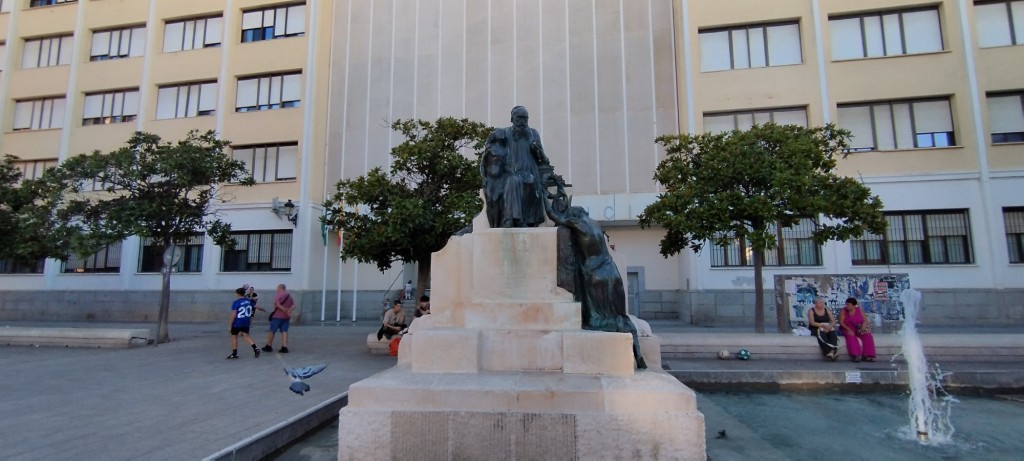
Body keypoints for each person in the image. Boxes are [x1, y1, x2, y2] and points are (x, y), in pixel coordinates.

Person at [544, 192, 646, 369]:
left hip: (594, 273)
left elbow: (555, 216)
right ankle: (636, 352)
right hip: (610, 269)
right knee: (620, 315)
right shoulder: (594, 224)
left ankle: (618, 348)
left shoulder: (577, 223)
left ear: (574, 215)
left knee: (599, 318)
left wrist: (544, 199)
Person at [481, 106, 551, 228]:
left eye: (525, 118)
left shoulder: (533, 134)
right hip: (509, 173)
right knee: (513, 181)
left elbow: (544, 160)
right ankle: (510, 220)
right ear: (512, 118)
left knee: (529, 181)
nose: (522, 122)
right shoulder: (504, 133)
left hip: (530, 173)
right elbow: (489, 152)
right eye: (519, 118)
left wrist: (538, 151)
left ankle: (524, 220)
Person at [227, 287, 261, 359]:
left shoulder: (236, 303)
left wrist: (230, 325)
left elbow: (233, 314)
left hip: (237, 322)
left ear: (237, 294)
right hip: (246, 322)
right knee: (246, 335)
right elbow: (256, 306)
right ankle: (255, 348)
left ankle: (234, 353)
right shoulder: (248, 301)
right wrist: (264, 309)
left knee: (234, 336)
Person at [839, 297, 876, 362]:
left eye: (849, 305)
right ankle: (856, 355)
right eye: (846, 304)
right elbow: (841, 322)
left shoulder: (859, 310)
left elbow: (865, 320)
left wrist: (864, 326)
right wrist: (849, 329)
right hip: (847, 328)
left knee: (868, 336)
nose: (847, 306)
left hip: (858, 328)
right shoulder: (843, 311)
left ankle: (868, 355)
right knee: (851, 336)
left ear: (854, 305)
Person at [262, 284, 295, 353]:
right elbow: (294, 305)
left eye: (277, 288)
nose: (276, 289)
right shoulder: (289, 296)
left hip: (277, 316)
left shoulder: (279, 295)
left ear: (280, 288)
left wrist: (284, 309)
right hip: (286, 317)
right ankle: (284, 347)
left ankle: (268, 346)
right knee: (284, 331)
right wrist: (289, 310)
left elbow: (277, 304)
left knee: (272, 331)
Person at [807, 297, 839, 361]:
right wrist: (822, 326)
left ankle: (833, 351)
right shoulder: (811, 311)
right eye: (820, 303)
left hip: (827, 327)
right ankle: (827, 352)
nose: (822, 304)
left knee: (833, 333)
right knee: (821, 334)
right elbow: (812, 322)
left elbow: (833, 321)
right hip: (816, 327)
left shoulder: (827, 310)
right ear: (815, 303)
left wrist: (829, 326)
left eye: (823, 302)